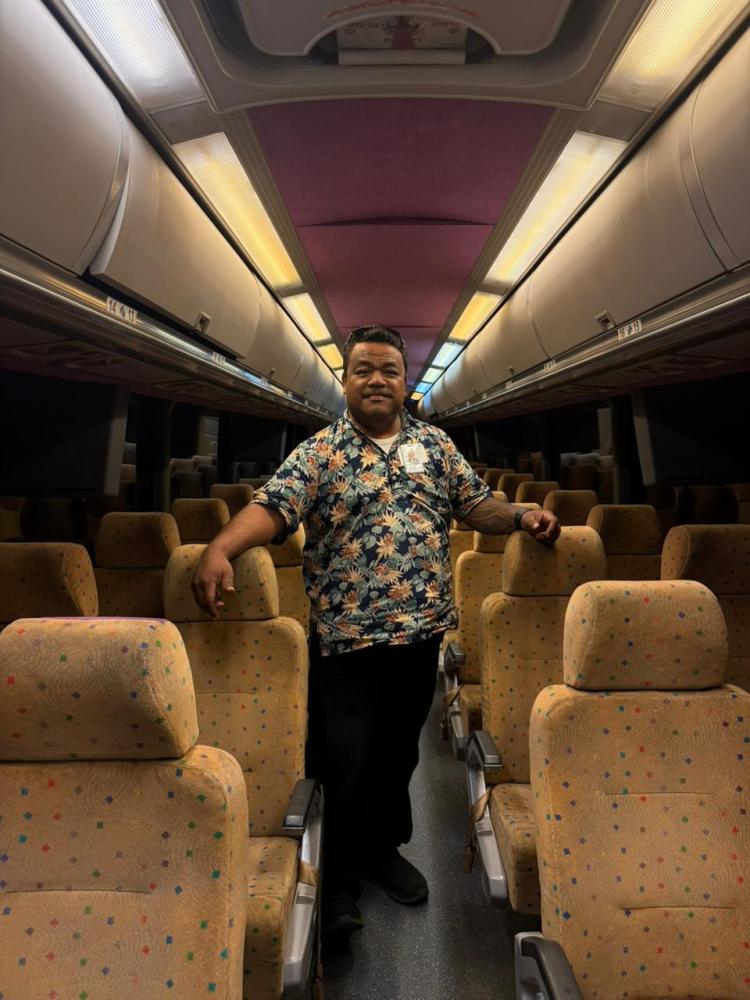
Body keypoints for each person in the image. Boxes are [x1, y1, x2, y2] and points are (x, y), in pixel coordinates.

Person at [191, 325, 560, 942]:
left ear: (405, 380)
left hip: (419, 638)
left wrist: (521, 514)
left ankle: (384, 851)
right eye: (364, 369)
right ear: (346, 379)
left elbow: (477, 506)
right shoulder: (321, 452)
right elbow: (273, 506)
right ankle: (337, 882)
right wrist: (219, 548)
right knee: (344, 760)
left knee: (397, 755)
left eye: (389, 369)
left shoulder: (435, 447)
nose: (377, 379)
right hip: (346, 643)